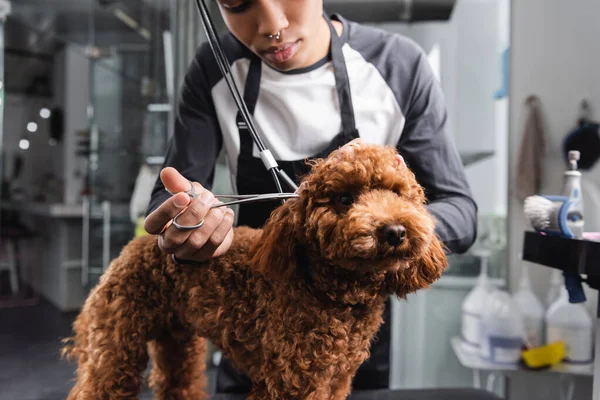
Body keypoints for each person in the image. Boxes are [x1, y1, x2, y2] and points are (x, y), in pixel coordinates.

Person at [144, 0, 478, 395]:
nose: (272, 25)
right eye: (237, 3)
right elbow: (170, 196)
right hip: (249, 320)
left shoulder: (397, 64)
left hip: (354, 333)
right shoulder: (215, 65)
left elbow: (459, 208)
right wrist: (184, 222)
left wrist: (398, 233)